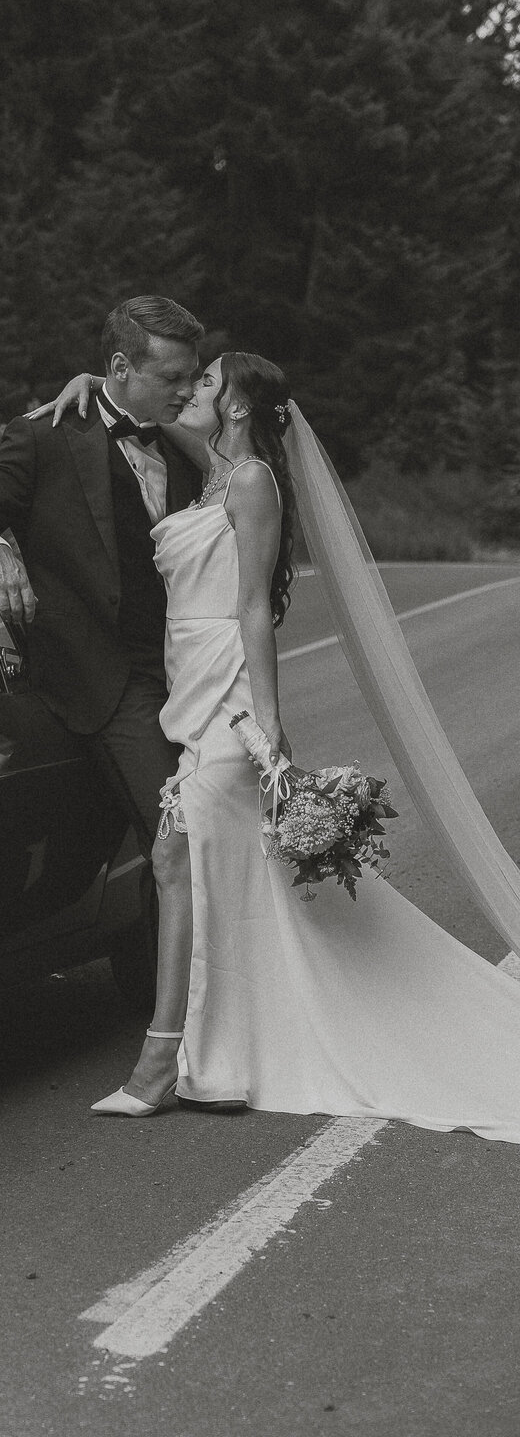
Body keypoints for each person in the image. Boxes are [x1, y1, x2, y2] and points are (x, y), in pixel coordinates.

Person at [46, 353, 520, 1142]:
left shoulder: (251, 482)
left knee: (174, 856)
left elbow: (254, 607)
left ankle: (163, 1062)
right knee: (194, 865)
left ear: (234, 408)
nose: (189, 389)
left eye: (204, 382)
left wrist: (264, 724)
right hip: (186, 691)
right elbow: (144, 408)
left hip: (229, 698)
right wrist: (93, 386)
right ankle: (215, 1057)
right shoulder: (209, 473)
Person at [0, 295, 204, 1035]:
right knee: (180, 838)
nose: (184, 390)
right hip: (108, 681)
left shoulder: (185, 439)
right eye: (172, 375)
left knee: (228, 830)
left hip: (198, 674)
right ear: (120, 367)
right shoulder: (47, 436)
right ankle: (193, 1025)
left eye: (192, 376)